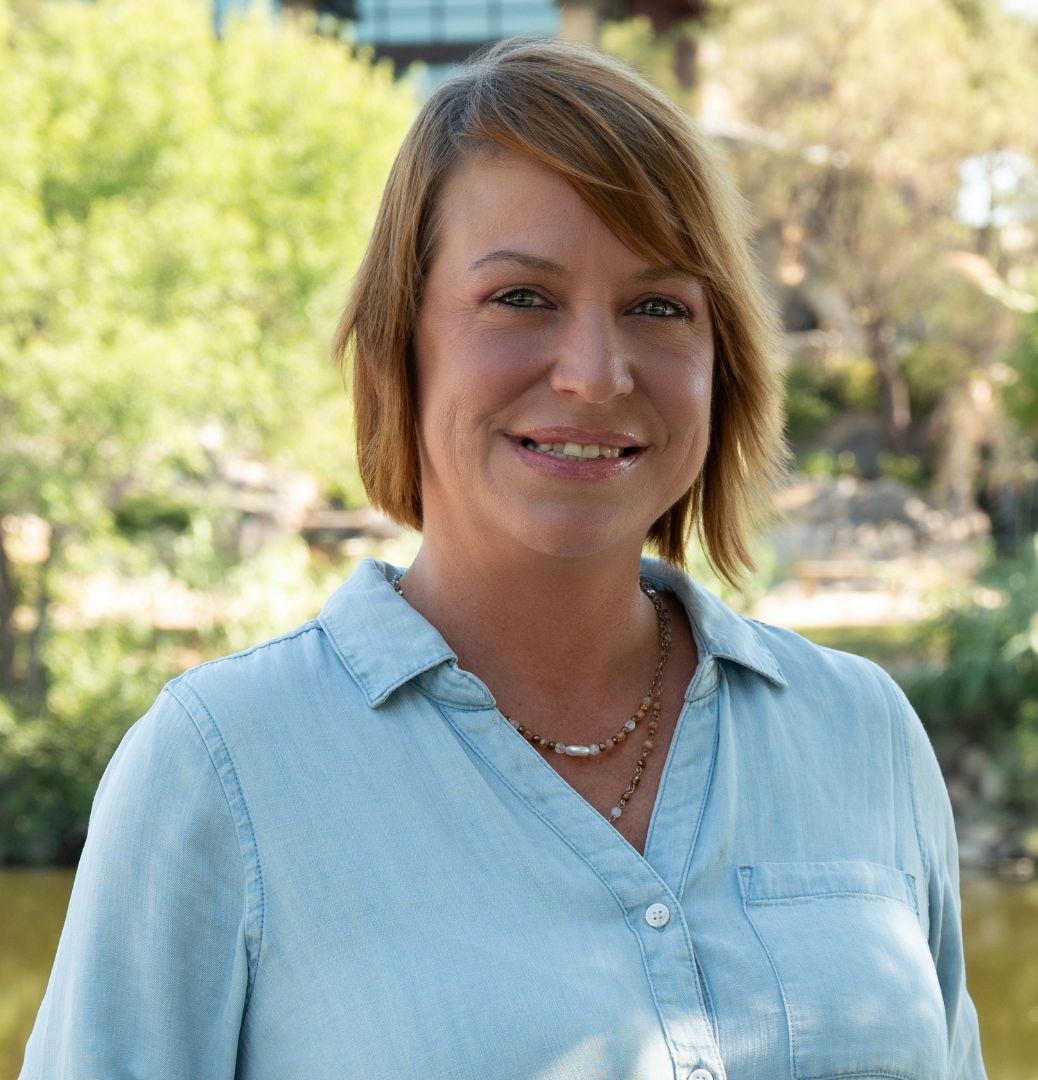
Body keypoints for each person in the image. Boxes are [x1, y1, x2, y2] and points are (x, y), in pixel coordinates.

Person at [21, 35, 987, 1080]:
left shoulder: (865, 738)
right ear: (404, 344)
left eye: (658, 306)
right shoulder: (219, 775)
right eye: (521, 298)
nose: (595, 372)